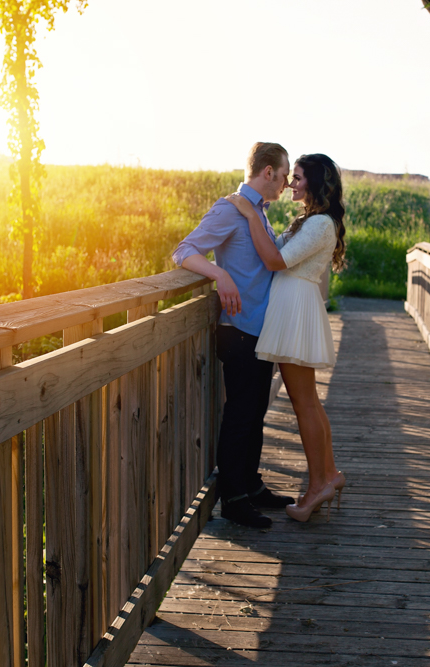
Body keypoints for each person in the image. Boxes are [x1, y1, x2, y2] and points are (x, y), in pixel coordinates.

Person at [171, 142, 295, 529]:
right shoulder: (230, 209)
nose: (288, 183)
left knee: (255, 413)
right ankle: (234, 499)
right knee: (240, 416)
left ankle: (252, 486)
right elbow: (184, 251)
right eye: (285, 173)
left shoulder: (257, 212)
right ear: (268, 172)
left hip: (260, 329)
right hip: (239, 330)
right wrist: (218, 274)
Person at [224, 153, 347, 522]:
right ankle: (328, 475)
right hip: (294, 306)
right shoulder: (311, 220)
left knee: (304, 402)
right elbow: (276, 251)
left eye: (297, 178)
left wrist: (248, 213)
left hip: (295, 309)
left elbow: (276, 261)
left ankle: (318, 485)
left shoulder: (321, 224)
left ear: (314, 182)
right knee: (307, 400)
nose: (290, 184)